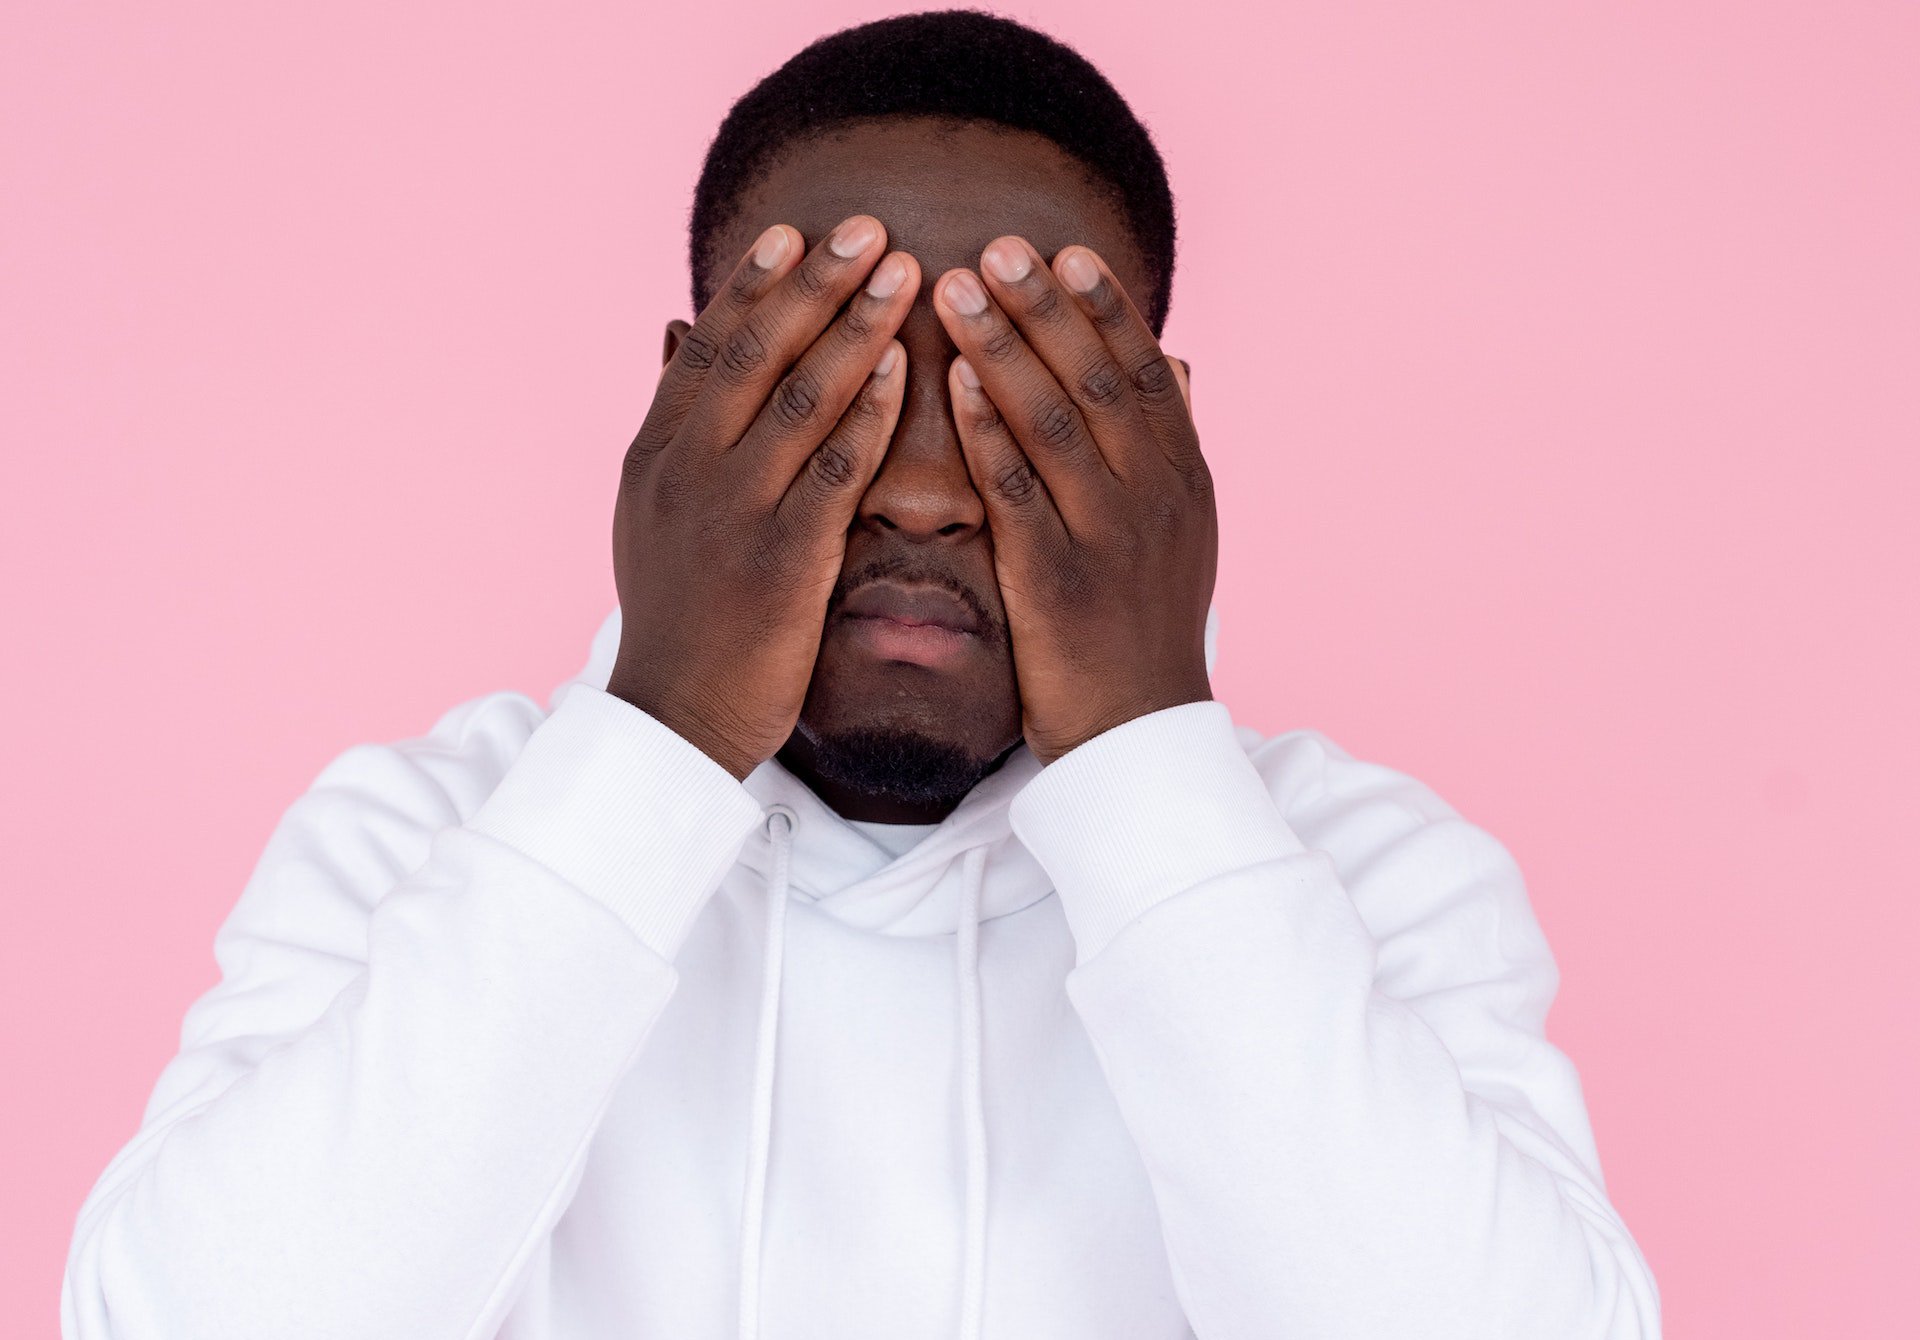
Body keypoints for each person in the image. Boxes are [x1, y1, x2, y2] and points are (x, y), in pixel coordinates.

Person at [61, 9, 1661, 1339]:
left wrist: (1148, 752)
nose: (919, 488)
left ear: (1161, 437)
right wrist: (662, 736)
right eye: (836, 380)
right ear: (684, 405)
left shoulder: (1372, 873)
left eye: (1024, 393)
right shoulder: (424, 831)